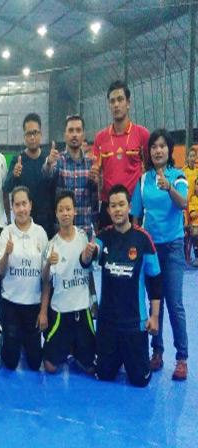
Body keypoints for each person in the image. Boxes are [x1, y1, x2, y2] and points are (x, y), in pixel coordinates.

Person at [81, 184, 161, 387]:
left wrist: (154, 316)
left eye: (121, 204)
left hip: (134, 323)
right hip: (107, 323)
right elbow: (88, 259)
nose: (117, 209)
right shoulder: (103, 237)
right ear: (108, 210)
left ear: (129, 207)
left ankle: (131, 358)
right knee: (104, 375)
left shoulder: (143, 239)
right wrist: (87, 254)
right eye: (113, 206)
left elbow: (155, 280)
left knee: (140, 380)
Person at [131, 129, 188, 381]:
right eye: (154, 146)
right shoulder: (143, 180)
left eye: (162, 146)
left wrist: (169, 188)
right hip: (150, 249)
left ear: (169, 150)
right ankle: (157, 352)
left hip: (173, 247)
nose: (158, 150)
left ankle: (182, 358)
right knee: (156, 302)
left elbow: (183, 203)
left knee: (174, 303)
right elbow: (135, 217)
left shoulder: (178, 176)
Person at [39, 190, 95, 375]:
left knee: (90, 367)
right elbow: (46, 281)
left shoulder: (83, 238)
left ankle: (76, 349)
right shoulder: (52, 245)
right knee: (50, 367)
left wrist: (94, 300)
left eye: (68, 209)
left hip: (82, 309)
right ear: (56, 213)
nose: (65, 213)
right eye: (61, 210)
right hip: (61, 311)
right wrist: (43, 312)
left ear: (75, 211)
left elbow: (89, 272)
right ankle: (67, 346)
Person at [0, 186, 48, 371]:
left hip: (33, 305)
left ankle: (24, 340)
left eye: (24, 204)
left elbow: (46, 279)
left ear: (30, 205)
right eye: (17, 205)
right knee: (11, 362)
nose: (21, 209)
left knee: (34, 363)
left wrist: (43, 311)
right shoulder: (6, 233)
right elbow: (0, 272)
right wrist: (6, 254)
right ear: (12, 207)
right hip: (10, 303)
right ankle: (2, 337)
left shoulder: (40, 233)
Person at [92, 80, 150, 228]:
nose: (116, 104)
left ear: (128, 103)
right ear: (109, 105)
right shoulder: (100, 138)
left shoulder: (142, 134)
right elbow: (95, 173)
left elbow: (150, 170)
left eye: (120, 99)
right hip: (109, 207)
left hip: (134, 208)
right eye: (112, 101)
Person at [43, 115, 99, 235]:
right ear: (65, 135)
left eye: (78, 130)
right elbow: (47, 175)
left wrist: (98, 182)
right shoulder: (57, 161)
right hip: (62, 232)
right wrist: (48, 163)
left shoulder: (91, 164)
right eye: (71, 130)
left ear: (83, 135)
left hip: (85, 231)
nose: (74, 134)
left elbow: (95, 198)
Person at [4, 113, 55, 237]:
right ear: (24, 137)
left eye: (35, 132)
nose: (32, 137)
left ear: (41, 134)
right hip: (24, 224)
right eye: (29, 134)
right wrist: (14, 175)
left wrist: (49, 165)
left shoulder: (48, 159)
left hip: (47, 224)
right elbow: (6, 187)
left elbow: (55, 189)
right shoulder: (18, 160)